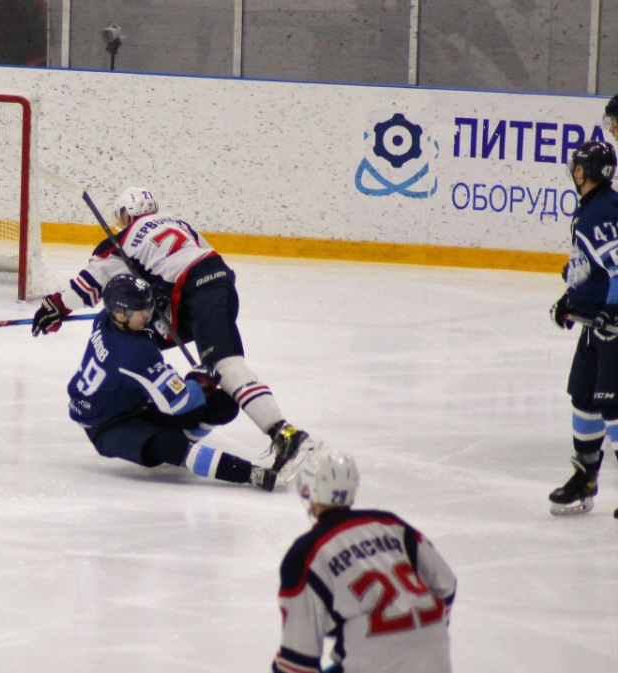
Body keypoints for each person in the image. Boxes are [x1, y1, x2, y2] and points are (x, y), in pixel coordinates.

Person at [34, 187, 313, 473]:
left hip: (196, 292)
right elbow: (197, 259)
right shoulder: (178, 222)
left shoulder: (122, 239)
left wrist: (57, 306)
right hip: (217, 285)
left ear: (127, 214)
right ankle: (164, 406)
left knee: (225, 365)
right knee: (139, 337)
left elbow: (93, 281)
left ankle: (286, 435)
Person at [68, 274, 278, 489]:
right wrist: (199, 380)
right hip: (105, 425)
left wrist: (153, 296)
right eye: (141, 311)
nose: (148, 315)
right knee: (169, 447)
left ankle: (183, 437)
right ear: (121, 315)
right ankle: (252, 474)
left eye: (147, 307)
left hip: (130, 401)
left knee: (222, 406)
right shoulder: (133, 354)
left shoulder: (105, 318)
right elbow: (178, 402)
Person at [273, 447, 457, 673]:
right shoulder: (393, 525)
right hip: (435, 658)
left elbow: (297, 663)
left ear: (307, 490)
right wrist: (417, 634)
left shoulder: (307, 553)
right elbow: (446, 584)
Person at [548, 140, 618, 516]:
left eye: (579, 167)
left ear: (590, 172)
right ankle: (585, 480)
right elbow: (588, 268)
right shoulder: (592, 207)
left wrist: (614, 310)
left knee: (614, 406)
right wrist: (570, 300)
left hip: (614, 327)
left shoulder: (602, 210)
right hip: (595, 324)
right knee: (584, 400)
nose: (574, 173)